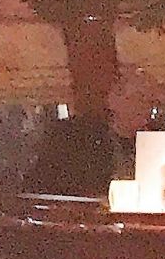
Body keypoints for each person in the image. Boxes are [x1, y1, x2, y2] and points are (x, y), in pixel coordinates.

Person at [22, 69, 156, 200]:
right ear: (113, 99)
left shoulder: (156, 146)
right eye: (139, 98)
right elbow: (38, 189)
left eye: (151, 102)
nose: (146, 107)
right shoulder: (74, 138)